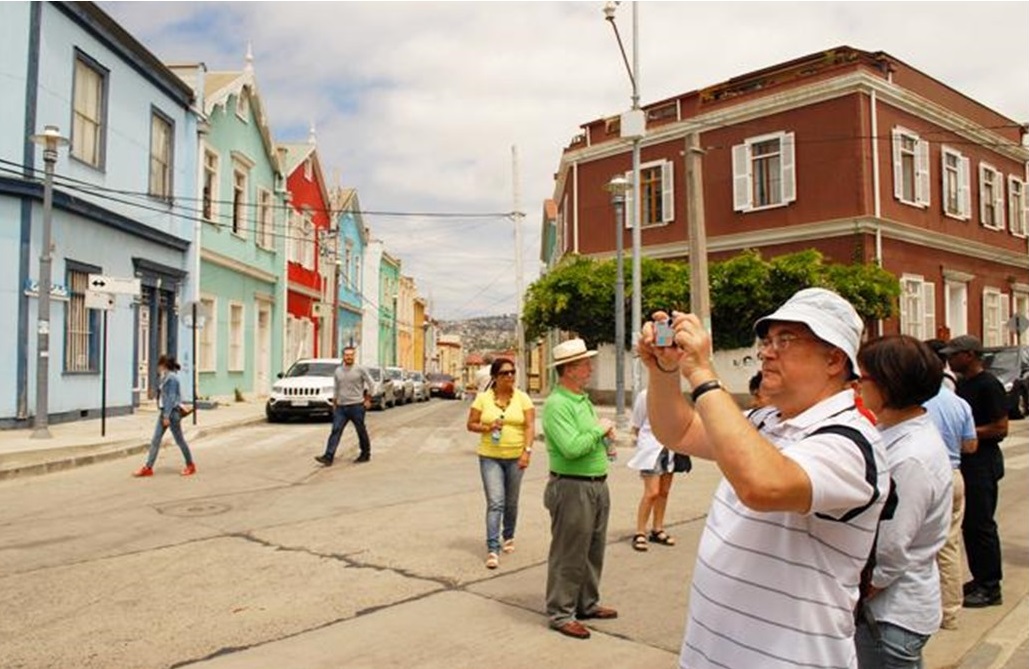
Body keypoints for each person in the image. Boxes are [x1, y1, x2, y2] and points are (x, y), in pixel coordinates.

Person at [641, 287, 889, 669]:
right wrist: (663, 371)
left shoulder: (853, 442)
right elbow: (679, 431)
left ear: (834, 359)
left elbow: (762, 485)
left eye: (785, 340)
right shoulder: (764, 420)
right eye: (767, 340)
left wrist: (702, 373)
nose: (767, 352)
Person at [853, 335, 953, 668]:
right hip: (885, 613)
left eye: (862, 378)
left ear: (887, 385)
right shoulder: (894, 432)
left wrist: (858, 593)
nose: (857, 386)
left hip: (889, 617)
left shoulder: (911, 456)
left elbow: (892, 547)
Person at [542, 338, 619, 640]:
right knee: (569, 552)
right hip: (572, 486)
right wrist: (600, 428)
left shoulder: (581, 400)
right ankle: (561, 612)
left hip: (595, 483)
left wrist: (603, 439)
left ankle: (586, 603)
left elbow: (587, 438)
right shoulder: (557, 404)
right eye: (585, 363)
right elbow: (572, 447)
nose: (590, 368)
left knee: (592, 549)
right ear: (570, 369)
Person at [941, 334, 1008, 608]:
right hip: (968, 462)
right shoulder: (964, 384)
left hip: (983, 463)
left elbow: (1000, 427)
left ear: (969, 355)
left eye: (954, 354)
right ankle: (979, 578)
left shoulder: (988, 385)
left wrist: (966, 432)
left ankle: (991, 586)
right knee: (969, 525)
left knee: (981, 525)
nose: (950, 359)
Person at [923, 341, 978, 630]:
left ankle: (933, 608)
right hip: (956, 474)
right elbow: (970, 445)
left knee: (926, 546)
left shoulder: (920, 403)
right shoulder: (959, 403)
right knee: (950, 544)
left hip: (932, 474)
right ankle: (951, 611)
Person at [466, 358, 535, 569]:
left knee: (511, 501)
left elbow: (530, 426)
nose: (510, 377)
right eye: (505, 373)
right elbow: (471, 424)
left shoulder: (523, 398)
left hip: (516, 457)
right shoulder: (482, 399)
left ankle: (509, 534)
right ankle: (492, 548)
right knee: (496, 502)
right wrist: (487, 427)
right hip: (490, 457)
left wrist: (527, 452)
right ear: (495, 377)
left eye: (512, 372)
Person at [627, 388, 689, 552]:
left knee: (664, 491)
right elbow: (637, 424)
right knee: (652, 492)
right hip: (650, 448)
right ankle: (640, 532)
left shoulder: (676, 395)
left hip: (670, 448)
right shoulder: (645, 395)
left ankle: (657, 529)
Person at [134, 355, 196, 477]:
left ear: (163, 365)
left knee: (180, 440)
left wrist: (166, 416)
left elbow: (171, 398)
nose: (157, 368)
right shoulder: (166, 377)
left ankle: (190, 465)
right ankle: (148, 467)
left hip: (172, 414)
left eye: (158, 365)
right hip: (165, 413)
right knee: (155, 440)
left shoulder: (172, 378)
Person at [315, 347, 374, 466]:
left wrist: (368, 399)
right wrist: (334, 402)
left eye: (351, 355)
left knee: (360, 430)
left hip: (356, 406)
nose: (349, 357)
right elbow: (336, 387)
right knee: (335, 430)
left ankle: (365, 453)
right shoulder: (338, 371)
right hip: (341, 407)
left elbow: (371, 384)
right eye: (347, 355)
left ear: (354, 356)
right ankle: (328, 456)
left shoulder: (360, 369)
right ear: (343, 356)